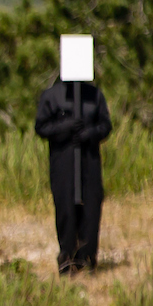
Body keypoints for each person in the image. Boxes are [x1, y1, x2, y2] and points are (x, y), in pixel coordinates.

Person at [34, 73, 114, 273]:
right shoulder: (52, 96)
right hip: (63, 166)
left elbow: (105, 125)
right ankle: (67, 261)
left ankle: (87, 262)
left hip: (90, 165)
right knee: (66, 211)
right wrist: (65, 127)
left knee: (91, 210)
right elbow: (41, 127)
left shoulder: (94, 95)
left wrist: (90, 133)